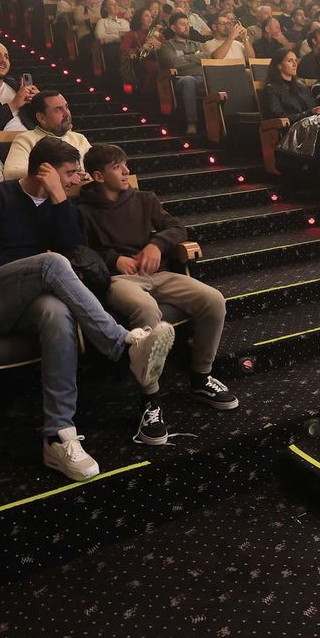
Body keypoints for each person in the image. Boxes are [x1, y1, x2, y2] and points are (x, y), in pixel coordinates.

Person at [0, 136, 176, 478]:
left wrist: (57, 199)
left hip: (25, 304)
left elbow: (75, 252)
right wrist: (28, 268)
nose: (76, 181)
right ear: (45, 170)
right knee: (51, 264)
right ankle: (122, 344)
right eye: (70, 173)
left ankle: (58, 435)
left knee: (57, 312)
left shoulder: (61, 206)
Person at [78, 144, 236, 443]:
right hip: (119, 279)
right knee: (147, 310)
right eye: (117, 167)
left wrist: (157, 244)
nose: (126, 172)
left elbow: (177, 227)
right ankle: (149, 398)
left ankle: (201, 376)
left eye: (126, 164)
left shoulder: (144, 199)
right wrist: (113, 258)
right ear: (98, 176)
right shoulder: (83, 210)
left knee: (213, 300)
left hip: (157, 273)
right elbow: (78, 249)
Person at [2, 90, 90, 180]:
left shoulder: (79, 139)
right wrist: (57, 174)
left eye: (66, 107)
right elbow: (11, 173)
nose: (67, 114)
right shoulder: (26, 139)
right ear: (41, 118)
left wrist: (90, 173)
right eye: (58, 110)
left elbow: (97, 165)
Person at [156, 13, 206, 133]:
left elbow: (208, 57)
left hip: (203, 77)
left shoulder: (196, 44)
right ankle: (191, 123)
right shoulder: (167, 46)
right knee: (188, 80)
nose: (187, 27)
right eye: (183, 24)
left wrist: (187, 57)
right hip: (179, 79)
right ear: (173, 28)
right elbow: (175, 64)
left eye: (187, 24)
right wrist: (196, 58)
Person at [260, 48, 318, 123]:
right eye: (290, 61)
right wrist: (308, 113)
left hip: (311, 122)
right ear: (279, 65)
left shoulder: (301, 86)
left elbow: (313, 106)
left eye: (295, 61)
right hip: (291, 129)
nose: (295, 64)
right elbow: (280, 117)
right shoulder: (271, 89)